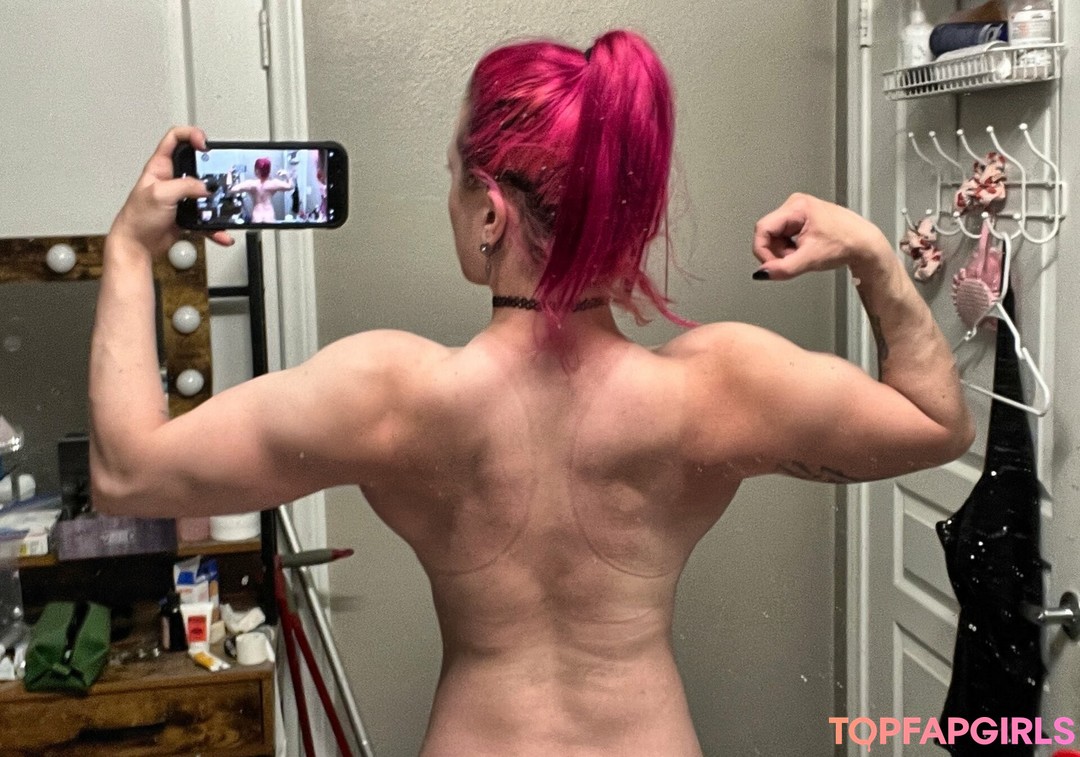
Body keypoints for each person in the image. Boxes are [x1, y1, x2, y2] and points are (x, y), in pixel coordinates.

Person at [89, 30, 974, 756]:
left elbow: (128, 475)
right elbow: (936, 425)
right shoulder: (716, 388)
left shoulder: (391, 395)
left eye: (454, 177)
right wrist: (872, 255)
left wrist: (129, 249)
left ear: (490, 209)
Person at [227, 156, 294, 223]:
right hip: (269, 217)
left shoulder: (250, 184)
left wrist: (229, 173)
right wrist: (287, 175)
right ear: (269, 170)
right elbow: (290, 186)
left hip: (257, 218)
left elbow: (230, 189)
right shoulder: (274, 183)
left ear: (256, 170)